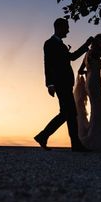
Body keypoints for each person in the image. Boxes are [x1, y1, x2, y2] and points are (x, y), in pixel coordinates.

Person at [34, 18, 93, 152]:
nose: (68, 30)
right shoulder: (50, 43)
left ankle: (73, 144)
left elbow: (71, 57)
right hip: (60, 82)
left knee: (69, 113)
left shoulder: (60, 44)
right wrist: (49, 84)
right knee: (68, 113)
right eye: (66, 27)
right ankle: (44, 136)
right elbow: (47, 64)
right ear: (59, 27)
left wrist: (85, 45)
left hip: (66, 82)